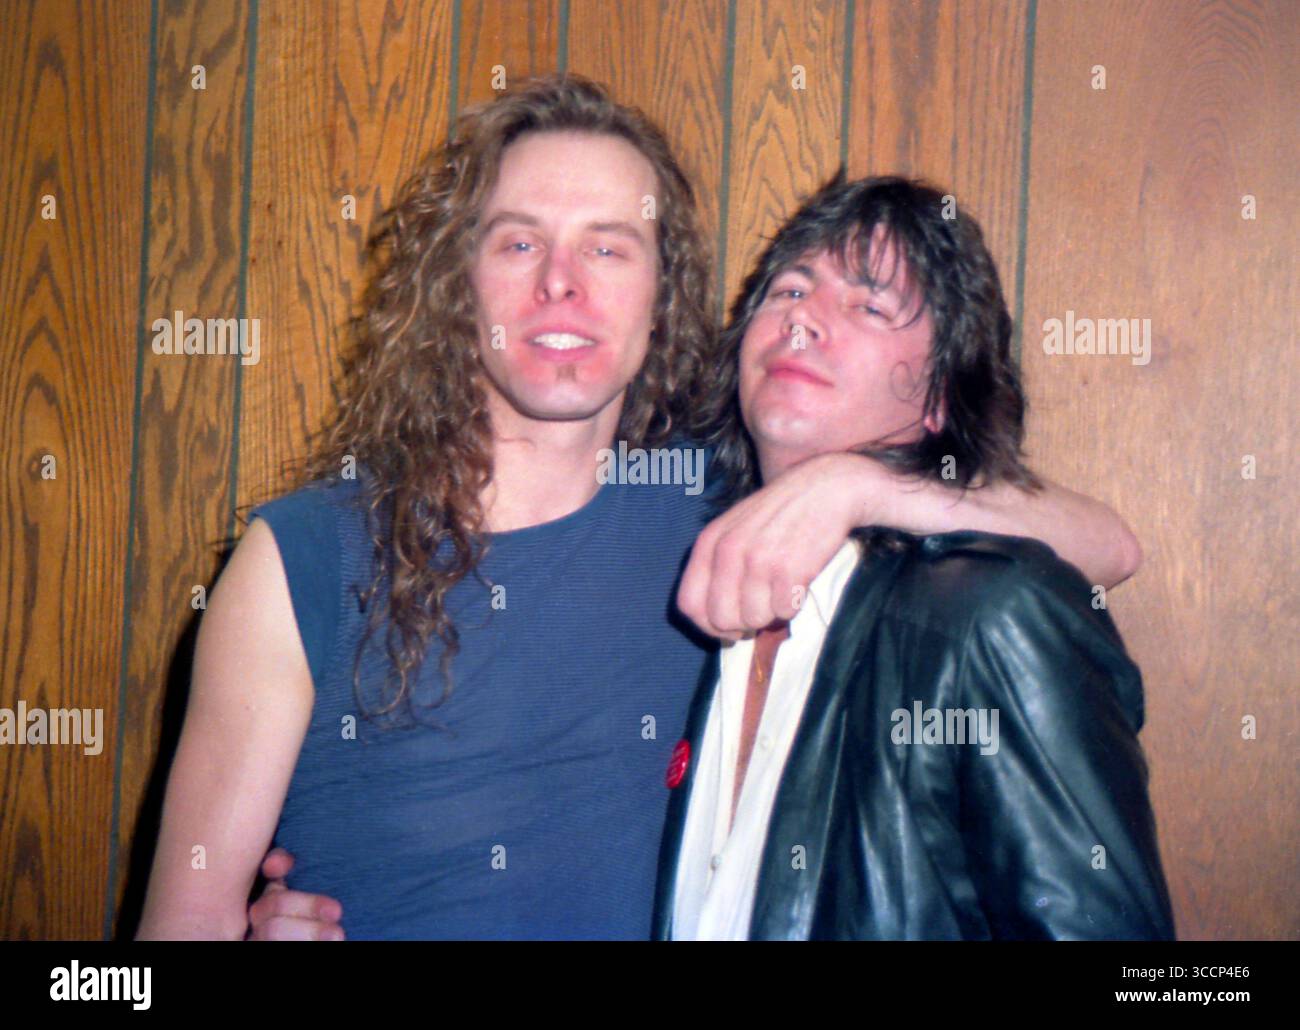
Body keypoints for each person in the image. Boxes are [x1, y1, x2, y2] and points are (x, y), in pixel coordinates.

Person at [137, 75, 1139, 941]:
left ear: (664, 295)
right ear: (454, 286)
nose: (562, 284)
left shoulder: (718, 518)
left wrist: (854, 483)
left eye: (610, 248)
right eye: (518, 243)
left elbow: (1106, 543)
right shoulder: (297, 558)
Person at [654, 174, 1175, 940]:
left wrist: (855, 485)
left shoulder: (993, 620)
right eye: (790, 290)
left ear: (937, 396)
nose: (803, 321)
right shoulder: (714, 574)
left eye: (867, 306)